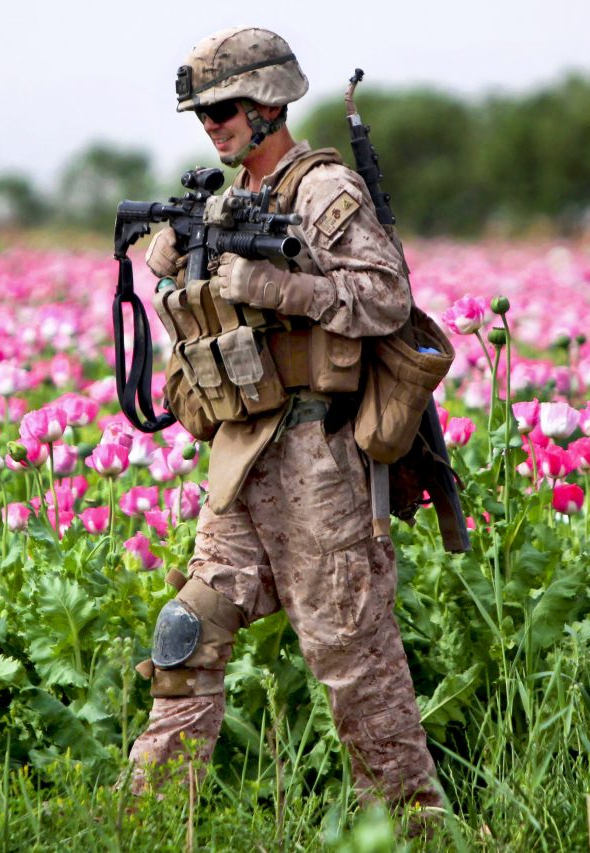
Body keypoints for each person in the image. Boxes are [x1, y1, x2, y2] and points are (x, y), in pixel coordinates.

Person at [128, 26, 444, 816]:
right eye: (203, 115)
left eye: (224, 109)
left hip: (321, 457)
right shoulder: (228, 196)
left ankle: (415, 829)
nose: (212, 126)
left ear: (269, 103)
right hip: (243, 450)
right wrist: (178, 261)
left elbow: (388, 299)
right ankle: (153, 822)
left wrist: (281, 289)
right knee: (186, 633)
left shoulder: (326, 190)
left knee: (355, 665)